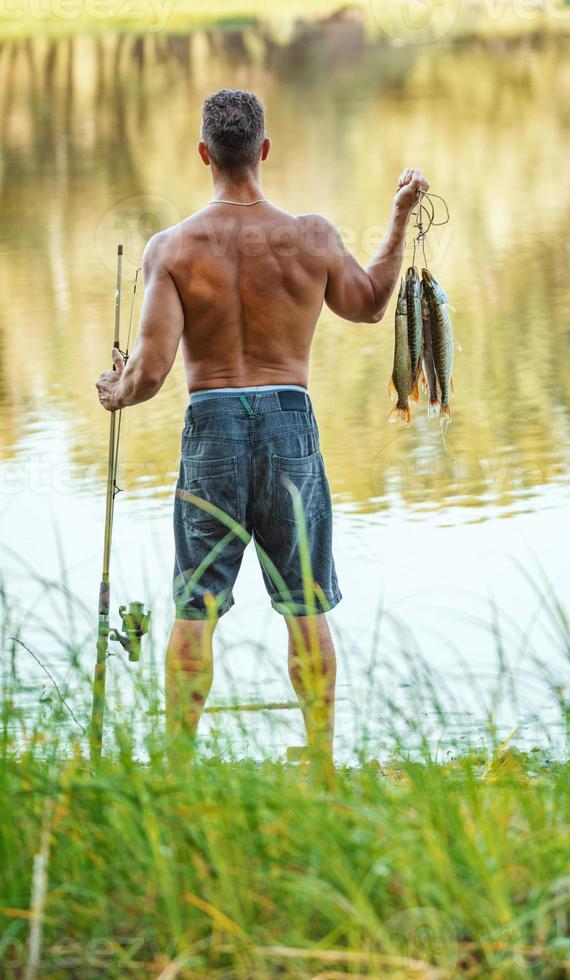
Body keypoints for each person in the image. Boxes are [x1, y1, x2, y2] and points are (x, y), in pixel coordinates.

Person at [96, 87, 429, 781]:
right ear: (264, 150)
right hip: (288, 422)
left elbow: (151, 373)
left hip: (212, 422)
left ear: (204, 155)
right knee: (303, 600)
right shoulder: (311, 236)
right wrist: (399, 216)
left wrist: (114, 391)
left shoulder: (174, 248)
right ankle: (322, 762)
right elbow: (370, 305)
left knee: (196, 601)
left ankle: (179, 767)